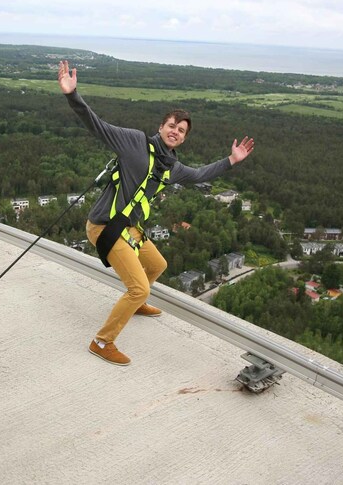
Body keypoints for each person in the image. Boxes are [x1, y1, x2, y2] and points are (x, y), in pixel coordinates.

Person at [57, 60, 255, 366]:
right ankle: (102, 341)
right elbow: (96, 124)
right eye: (172, 126)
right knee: (138, 288)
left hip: (129, 228)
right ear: (161, 127)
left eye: (181, 130)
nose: (175, 132)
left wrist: (231, 160)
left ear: (184, 139)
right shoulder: (134, 142)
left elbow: (200, 174)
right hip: (104, 226)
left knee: (157, 265)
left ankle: (134, 304)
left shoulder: (172, 168)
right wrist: (72, 95)